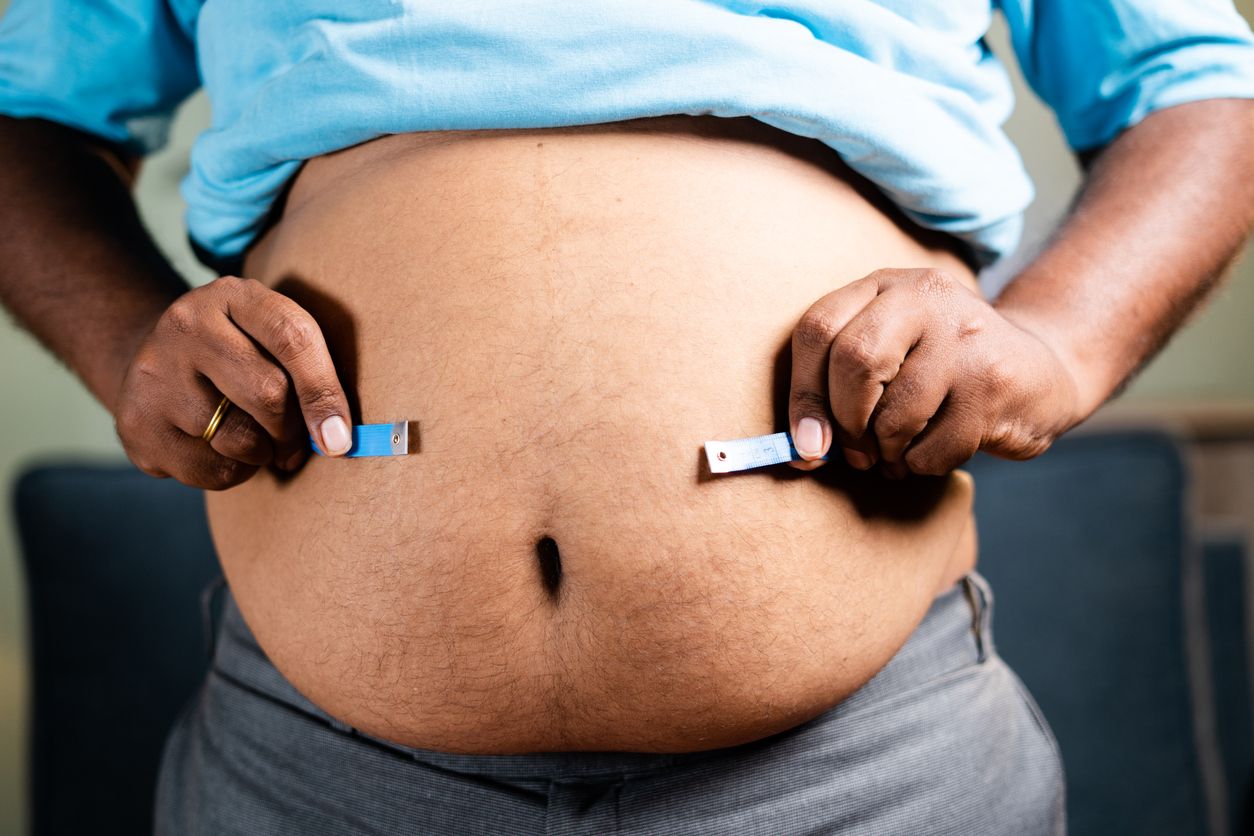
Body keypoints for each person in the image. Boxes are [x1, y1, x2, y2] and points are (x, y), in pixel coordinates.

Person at [1, 1, 1252, 833]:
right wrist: (126, 350)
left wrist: (1058, 344)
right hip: (314, 766)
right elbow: (23, 112)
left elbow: (1202, 81)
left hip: (860, 769)